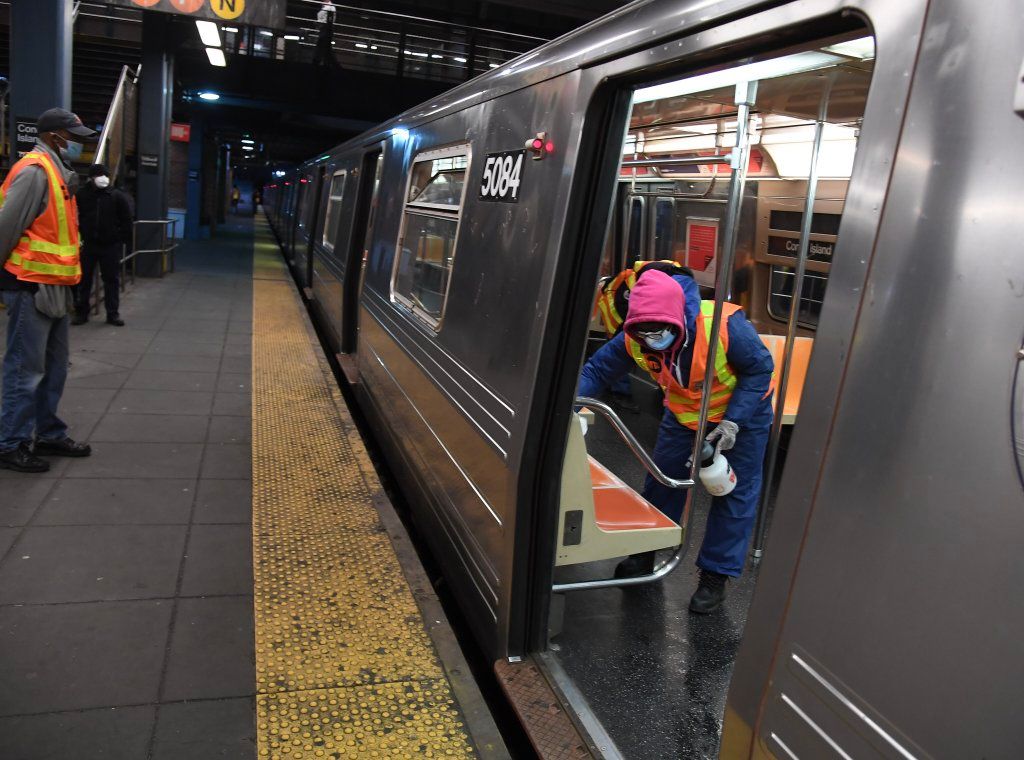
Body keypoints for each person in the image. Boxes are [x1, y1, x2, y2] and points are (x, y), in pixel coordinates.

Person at [578, 268, 774, 613]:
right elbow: (597, 370)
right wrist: (565, 405)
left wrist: (733, 422)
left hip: (740, 419)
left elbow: (759, 369)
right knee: (661, 483)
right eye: (644, 333)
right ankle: (645, 552)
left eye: (659, 331)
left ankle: (715, 576)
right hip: (683, 417)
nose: (652, 339)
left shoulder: (724, 325)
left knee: (732, 493)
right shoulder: (634, 336)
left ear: (677, 318)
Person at [0, 108, 95, 473]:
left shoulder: (57, 172)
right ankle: (10, 443)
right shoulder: (35, 172)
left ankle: (48, 433)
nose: (78, 145)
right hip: (30, 285)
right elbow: (6, 227)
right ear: (56, 136)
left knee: (54, 369)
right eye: (73, 138)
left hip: (55, 285)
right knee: (25, 371)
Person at [594, 259, 692, 413]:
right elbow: (629, 322)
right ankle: (621, 393)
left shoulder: (666, 276)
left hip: (625, 313)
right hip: (615, 315)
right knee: (617, 355)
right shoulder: (633, 291)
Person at [72, 164, 132, 326]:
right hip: (88, 244)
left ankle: (112, 314)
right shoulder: (82, 195)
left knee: (111, 280)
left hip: (109, 245)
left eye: (105, 175)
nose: (103, 178)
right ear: (91, 178)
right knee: (84, 280)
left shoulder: (116, 196)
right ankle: (82, 312)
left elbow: (126, 220)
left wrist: (120, 239)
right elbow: (74, 217)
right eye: (99, 175)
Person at [313, 0, 338, 68]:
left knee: (322, 46)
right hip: (324, 29)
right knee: (326, 48)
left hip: (326, 29)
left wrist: (318, 23)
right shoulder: (325, 6)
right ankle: (330, 64)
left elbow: (329, 20)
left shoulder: (331, 7)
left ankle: (317, 62)